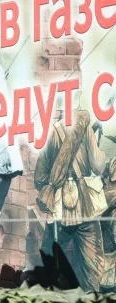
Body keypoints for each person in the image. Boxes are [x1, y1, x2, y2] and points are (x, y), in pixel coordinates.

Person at [35, 110, 107, 292]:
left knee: (49, 261)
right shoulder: (86, 127)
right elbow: (98, 166)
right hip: (86, 208)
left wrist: (53, 181)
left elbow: (39, 178)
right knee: (93, 269)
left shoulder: (52, 133)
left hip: (59, 210)